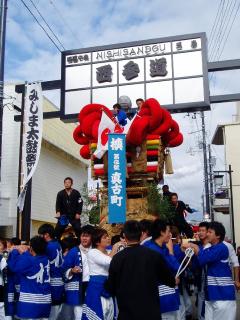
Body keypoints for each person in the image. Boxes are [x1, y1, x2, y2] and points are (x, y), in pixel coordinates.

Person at [105, 220, 176, 320]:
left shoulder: (117, 258)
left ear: (124, 235)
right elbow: (170, 281)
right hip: (150, 313)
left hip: (127, 313)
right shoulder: (154, 255)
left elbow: (110, 287)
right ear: (141, 233)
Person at [183, 221, 237, 320]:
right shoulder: (210, 248)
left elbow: (203, 258)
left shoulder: (222, 248)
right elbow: (198, 263)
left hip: (223, 296)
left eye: (210, 232)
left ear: (218, 236)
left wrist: (194, 246)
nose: (207, 234)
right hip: (211, 295)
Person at [143, 219, 180, 320]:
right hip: (160, 296)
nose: (170, 234)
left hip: (166, 294)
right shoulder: (152, 250)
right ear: (162, 232)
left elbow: (176, 266)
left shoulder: (162, 247)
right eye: (168, 231)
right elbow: (172, 267)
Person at [7, 236, 51, 319]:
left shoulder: (29, 260)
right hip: (45, 301)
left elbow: (13, 267)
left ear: (31, 248)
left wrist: (15, 251)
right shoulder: (46, 259)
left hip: (31, 302)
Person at [82, 228, 119, 320]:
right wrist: (115, 248)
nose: (108, 239)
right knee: (98, 312)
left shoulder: (109, 252)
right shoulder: (92, 252)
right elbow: (109, 261)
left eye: (108, 236)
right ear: (97, 242)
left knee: (109, 313)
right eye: (105, 237)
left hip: (109, 286)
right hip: (96, 287)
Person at [38, 223, 64, 320]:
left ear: (46, 234)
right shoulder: (57, 244)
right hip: (59, 280)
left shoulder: (48, 246)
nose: (40, 237)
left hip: (52, 280)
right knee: (55, 308)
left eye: (40, 234)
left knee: (51, 312)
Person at [61, 236, 89, 320]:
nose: (84, 238)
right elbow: (64, 270)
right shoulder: (73, 252)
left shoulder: (95, 251)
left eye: (87, 236)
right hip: (77, 289)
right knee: (77, 315)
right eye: (83, 236)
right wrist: (72, 271)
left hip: (91, 286)